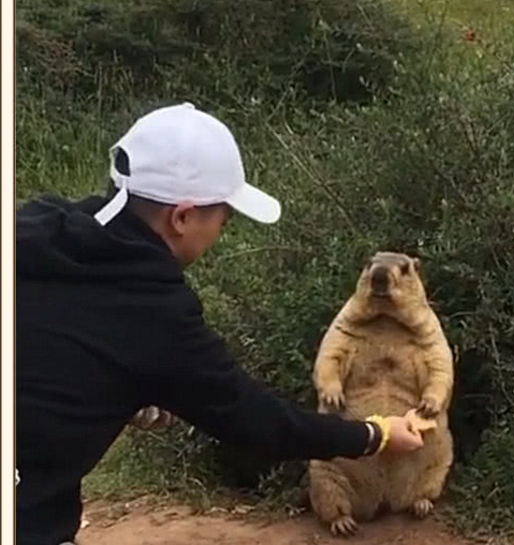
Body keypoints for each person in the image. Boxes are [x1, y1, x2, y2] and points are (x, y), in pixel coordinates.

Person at [16, 102, 425, 545]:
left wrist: (103, 386)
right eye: (222, 219)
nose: (219, 233)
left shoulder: (32, 228)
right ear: (183, 217)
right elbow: (257, 422)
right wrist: (375, 433)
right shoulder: (155, 310)